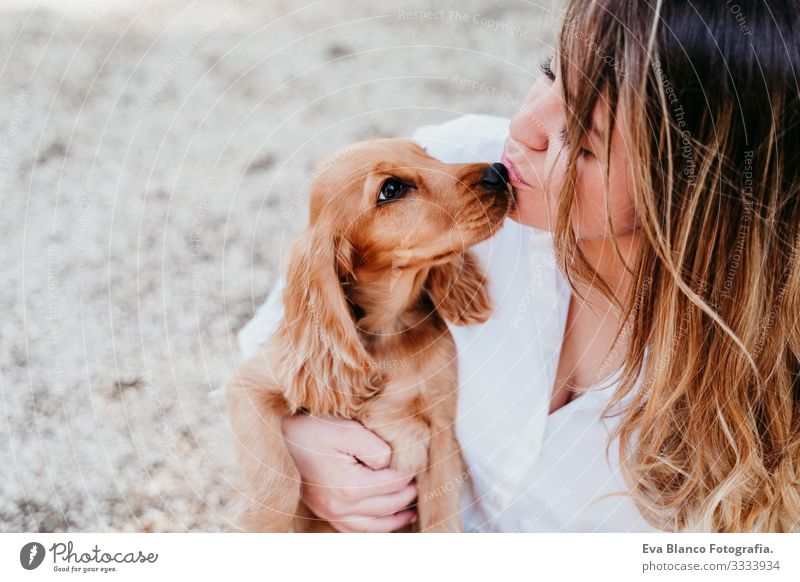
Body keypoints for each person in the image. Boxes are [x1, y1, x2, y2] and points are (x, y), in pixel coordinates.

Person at [237, 0, 800, 532]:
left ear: (689, 193)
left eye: (579, 139)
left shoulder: (762, 374)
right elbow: (278, 337)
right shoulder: (465, 171)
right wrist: (304, 451)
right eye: (551, 71)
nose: (523, 125)